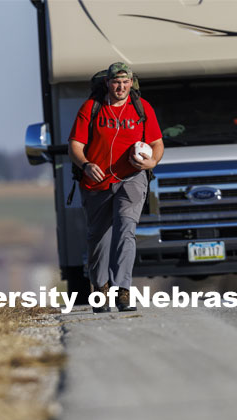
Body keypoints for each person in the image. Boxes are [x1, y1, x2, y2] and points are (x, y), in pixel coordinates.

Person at [68, 62, 163, 312]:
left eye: (125, 82)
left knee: (126, 231)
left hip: (132, 178)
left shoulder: (142, 108)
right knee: (98, 239)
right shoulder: (92, 107)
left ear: (131, 83)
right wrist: (86, 164)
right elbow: (75, 145)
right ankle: (100, 289)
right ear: (107, 83)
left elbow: (157, 143)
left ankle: (122, 290)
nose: (120, 87)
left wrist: (152, 161)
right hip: (96, 182)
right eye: (115, 82)